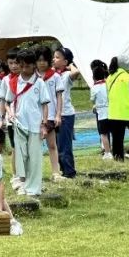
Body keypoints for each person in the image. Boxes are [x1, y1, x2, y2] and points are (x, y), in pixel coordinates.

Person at [2, 49, 52, 196]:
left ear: (33, 66)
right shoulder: (14, 82)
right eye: (21, 66)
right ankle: (22, 183)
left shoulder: (39, 83)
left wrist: (44, 124)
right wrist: (10, 113)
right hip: (18, 124)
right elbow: (7, 102)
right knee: (21, 156)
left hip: (35, 125)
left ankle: (34, 187)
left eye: (27, 66)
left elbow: (44, 105)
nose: (24, 70)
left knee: (34, 156)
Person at [35, 47, 65, 182]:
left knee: (52, 145)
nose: (42, 63)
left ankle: (56, 172)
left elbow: (59, 97)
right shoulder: (32, 77)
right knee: (35, 147)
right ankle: (35, 174)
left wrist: (58, 115)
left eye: (44, 60)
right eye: (39, 60)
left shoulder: (55, 76)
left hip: (51, 115)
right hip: (35, 116)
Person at [53, 47, 80, 179]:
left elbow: (76, 72)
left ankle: (70, 172)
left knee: (64, 145)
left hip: (66, 114)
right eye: (54, 57)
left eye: (57, 57)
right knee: (57, 145)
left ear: (65, 61)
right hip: (55, 114)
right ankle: (63, 170)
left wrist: (70, 66)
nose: (54, 59)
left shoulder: (65, 76)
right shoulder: (54, 75)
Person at [90, 62, 113, 160]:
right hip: (112, 111)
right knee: (114, 132)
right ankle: (115, 150)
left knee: (103, 133)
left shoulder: (94, 88)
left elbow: (92, 99)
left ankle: (107, 152)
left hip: (101, 113)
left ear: (93, 77)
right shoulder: (108, 85)